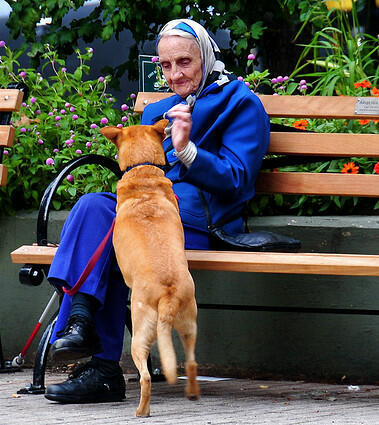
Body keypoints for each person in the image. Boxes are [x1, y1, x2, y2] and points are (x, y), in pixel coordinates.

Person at [44, 18, 270, 404]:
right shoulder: (158, 110)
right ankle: (81, 321)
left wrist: (187, 152)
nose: (175, 74)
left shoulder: (241, 104)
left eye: (184, 62)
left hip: (194, 220)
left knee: (124, 244)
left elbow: (238, 179)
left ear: (207, 56)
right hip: (143, 211)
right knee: (93, 206)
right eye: (165, 66)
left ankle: (102, 367)